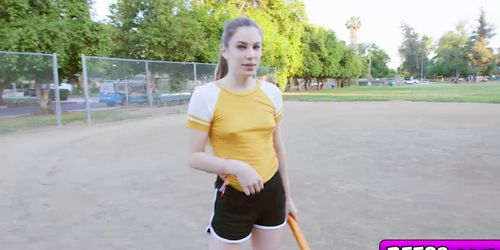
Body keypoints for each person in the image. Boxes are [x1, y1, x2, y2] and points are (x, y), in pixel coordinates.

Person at [187, 17, 297, 249]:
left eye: (256, 47)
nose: (251, 54)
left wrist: (288, 197)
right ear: (224, 50)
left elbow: (278, 147)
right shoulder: (206, 96)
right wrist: (236, 167)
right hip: (234, 197)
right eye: (241, 46)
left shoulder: (271, 93)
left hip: (272, 194)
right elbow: (194, 156)